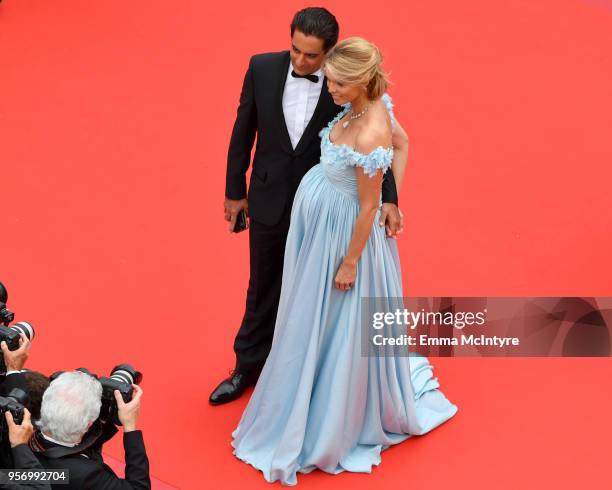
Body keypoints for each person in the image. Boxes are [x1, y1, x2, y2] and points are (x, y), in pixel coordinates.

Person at [231, 37, 458, 485]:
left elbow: (370, 207)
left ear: (359, 81)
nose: (328, 89)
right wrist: (398, 197)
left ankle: (328, 410)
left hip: (342, 240)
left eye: (335, 83)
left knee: (333, 322)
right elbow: (405, 141)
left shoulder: (371, 130)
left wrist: (352, 260)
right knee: (314, 316)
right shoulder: (375, 104)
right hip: (323, 227)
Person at [210, 7, 406, 405]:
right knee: (262, 285)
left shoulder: (345, 84)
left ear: (330, 54)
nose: (301, 61)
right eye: (295, 50)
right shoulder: (262, 68)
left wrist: (391, 198)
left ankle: (303, 372)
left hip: (323, 216)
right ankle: (247, 367)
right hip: (268, 197)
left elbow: (381, 146)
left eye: (312, 56)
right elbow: (242, 130)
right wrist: (235, 191)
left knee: (310, 292)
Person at [31, 371, 150, 490]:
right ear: (89, 425)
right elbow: (139, 487)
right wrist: (130, 426)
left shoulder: (22, 440)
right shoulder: (85, 475)